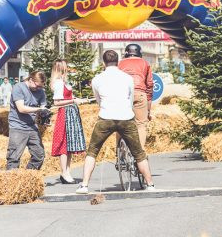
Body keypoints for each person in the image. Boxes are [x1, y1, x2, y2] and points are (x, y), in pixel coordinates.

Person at [76, 50, 155, 194]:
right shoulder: (127, 78)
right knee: (139, 153)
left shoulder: (97, 79)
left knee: (92, 151)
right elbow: (130, 98)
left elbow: (98, 100)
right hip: (126, 117)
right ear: (118, 62)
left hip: (106, 118)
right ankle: (150, 185)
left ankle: (84, 185)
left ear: (103, 62)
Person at [51, 59, 87, 184]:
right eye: (65, 67)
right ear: (61, 69)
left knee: (70, 144)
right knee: (64, 143)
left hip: (71, 113)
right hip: (65, 114)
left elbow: (67, 97)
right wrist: (73, 101)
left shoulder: (63, 81)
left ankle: (67, 171)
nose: (67, 69)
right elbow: (56, 103)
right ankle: (64, 172)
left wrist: (76, 99)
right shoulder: (58, 83)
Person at [6, 70, 49, 170]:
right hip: (18, 126)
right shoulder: (19, 88)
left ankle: (28, 176)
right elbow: (21, 108)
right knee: (14, 157)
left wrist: (45, 117)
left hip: (32, 126)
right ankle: (12, 180)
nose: (38, 88)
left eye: (41, 87)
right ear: (30, 80)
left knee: (39, 155)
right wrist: (39, 109)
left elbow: (43, 107)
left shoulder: (40, 91)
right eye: (37, 86)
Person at [118, 43, 154, 148]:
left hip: (123, 95)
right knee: (141, 125)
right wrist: (148, 110)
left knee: (120, 124)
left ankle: (118, 152)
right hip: (139, 94)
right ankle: (140, 155)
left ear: (126, 53)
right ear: (139, 53)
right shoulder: (145, 63)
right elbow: (149, 86)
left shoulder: (119, 63)